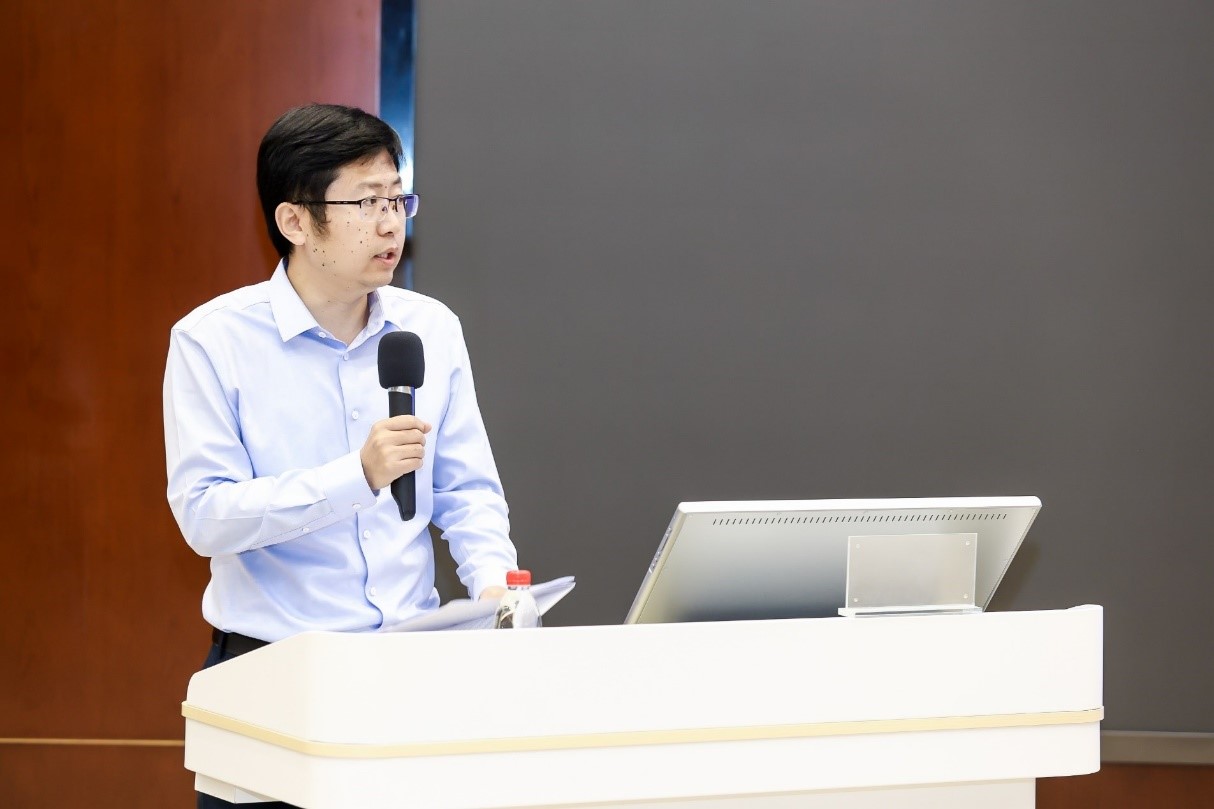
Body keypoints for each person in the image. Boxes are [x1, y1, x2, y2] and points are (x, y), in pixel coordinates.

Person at [163, 104, 518, 809]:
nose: (390, 224)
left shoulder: (430, 328)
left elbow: (468, 491)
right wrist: (356, 476)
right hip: (271, 674)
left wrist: (494, 588)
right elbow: (206, 516)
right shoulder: (212, 342)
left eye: (398, 199)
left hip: (410, 673)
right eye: (366, 202)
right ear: (295, 221)